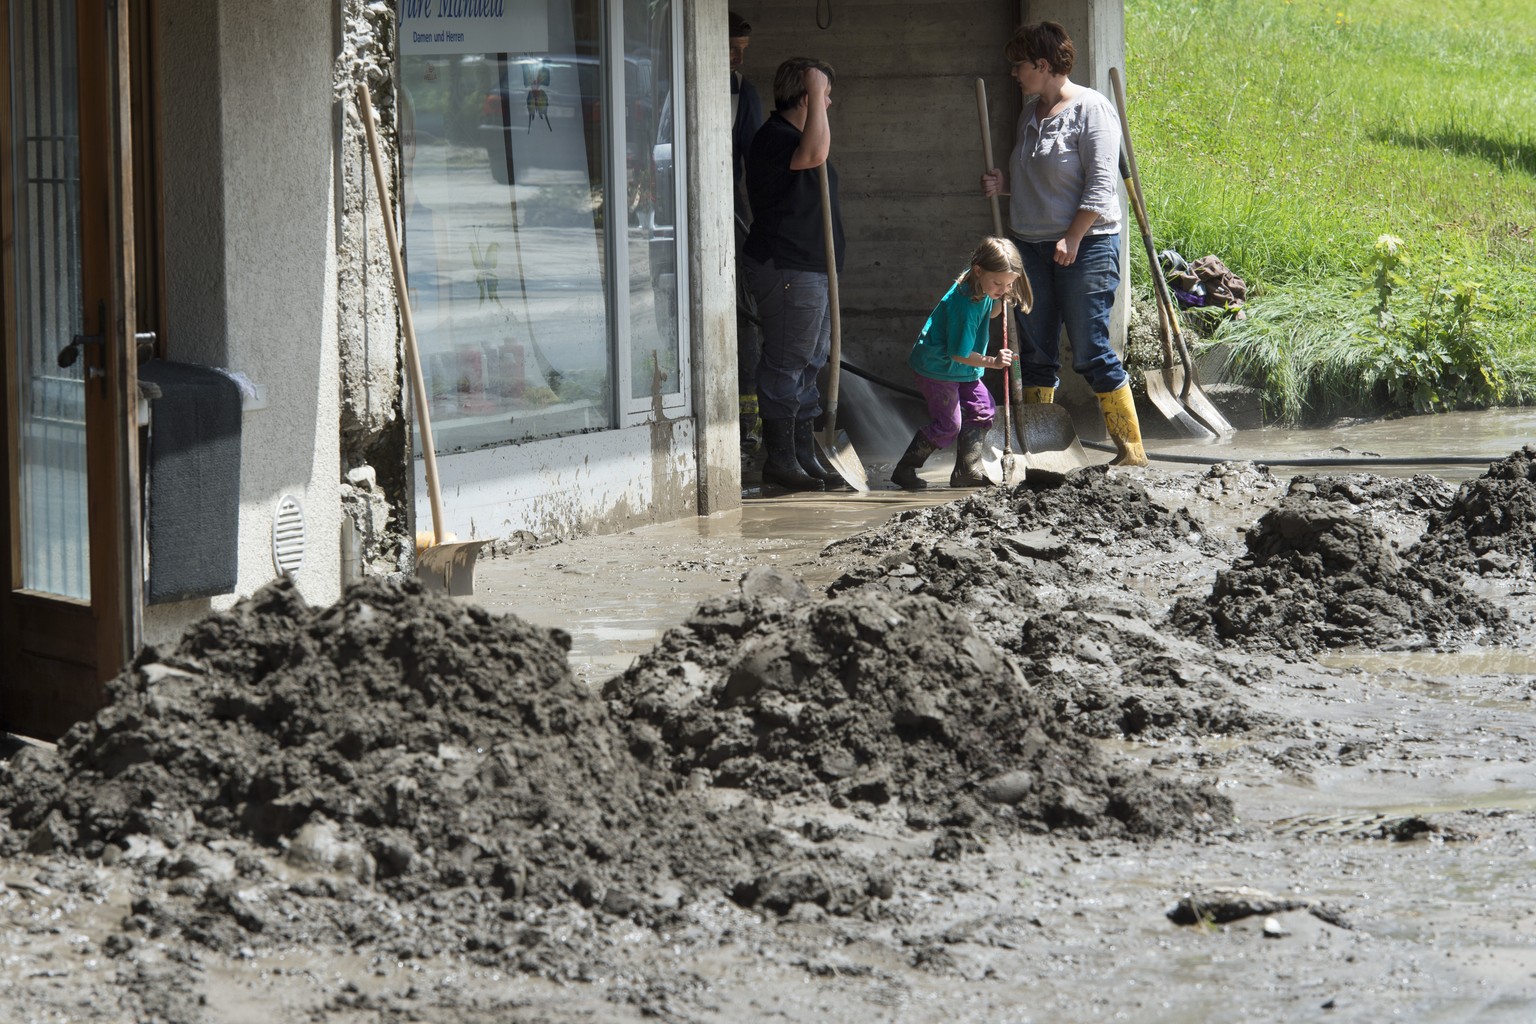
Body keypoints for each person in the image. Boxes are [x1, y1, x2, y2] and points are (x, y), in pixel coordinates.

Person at [980, 20, 1149, 467]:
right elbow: (1044, 181)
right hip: (1029, 248)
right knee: (1035, 352)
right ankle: (1040, 450)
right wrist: (1006, 183)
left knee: (1092, 347)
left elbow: (1099, 187)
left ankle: (1131, 452)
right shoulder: (1029, 113)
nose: (1014, 74)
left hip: (1087, 245)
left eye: (1020, 66)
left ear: (1043, 63)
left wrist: (1073, 238)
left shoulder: (1092, 109)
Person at [741, 57, 846, 492]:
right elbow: (815, 153)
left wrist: (816, 95)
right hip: (787, 268)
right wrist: (815, 90)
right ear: (807, 99)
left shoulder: (795, 137)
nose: (831, 104)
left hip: (810, 269)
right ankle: (781, 460)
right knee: (787, 363)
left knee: (809, 362)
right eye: (826, 96)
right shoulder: (776, 139)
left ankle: (802, 453)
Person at [892, 237, 1025, 490]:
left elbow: (992, 311)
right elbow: (958, 353)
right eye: (998, 283)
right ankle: (905, 468)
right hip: (938, 368)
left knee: (983, 410)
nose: (1002, 287)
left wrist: (1000, 297)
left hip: (962, 366)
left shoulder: (980, 282)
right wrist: (993, 362)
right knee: (949, 425)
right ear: (978, 270)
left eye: (1009, 284)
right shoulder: (964, 306)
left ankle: (966, 470)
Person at [728, 11, 766, 455]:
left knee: (744, 312)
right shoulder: (673, 86)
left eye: (742, 52)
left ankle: (746, 417)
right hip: (677, 219)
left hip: (733, 213)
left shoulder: (745, 94)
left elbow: (755, 166)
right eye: (730, 50)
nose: (736, 59)